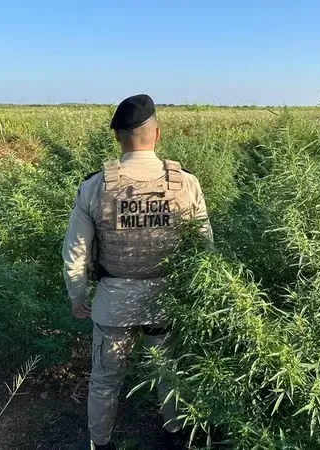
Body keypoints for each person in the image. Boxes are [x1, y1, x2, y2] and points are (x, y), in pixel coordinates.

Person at [62, 94, 212, 450]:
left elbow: (76, 252)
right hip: (165, 298)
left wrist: (78, 296)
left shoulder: (96, 185)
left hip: (114, 301)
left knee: (104, 380)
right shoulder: (185, 183)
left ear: (117, 136)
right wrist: (196, 295)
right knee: (168, 371)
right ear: (156, 134)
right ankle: (174, 436)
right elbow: (205, 247)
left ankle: (101, 443)